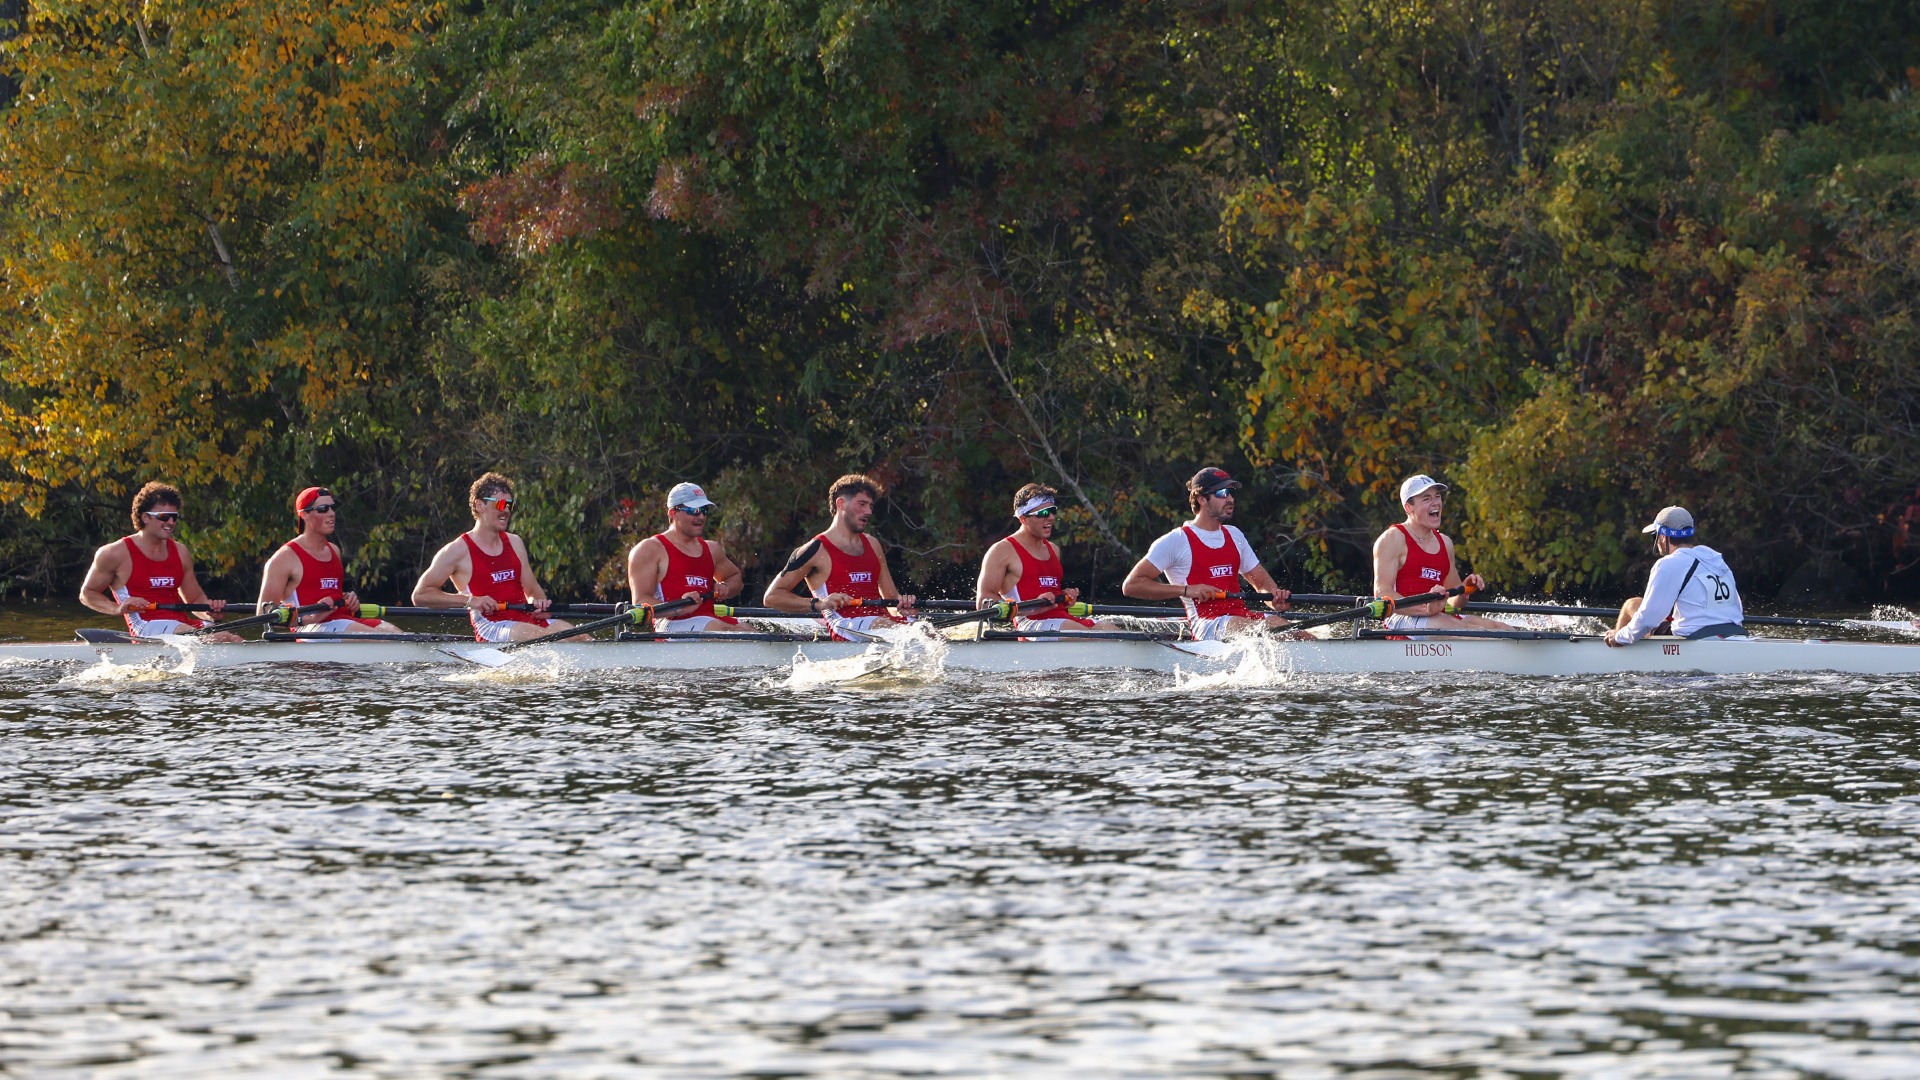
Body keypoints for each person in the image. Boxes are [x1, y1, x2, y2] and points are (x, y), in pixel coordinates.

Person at [1121, 468, 1294, 639]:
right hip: (1207, 623)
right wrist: (1187, 590)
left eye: (1231, 493)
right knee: (1257, 629)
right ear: (1202, 499)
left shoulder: (1235, 535)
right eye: (1222, 493)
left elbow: (1262, 583)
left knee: (1293, 632)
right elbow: (1131, 585)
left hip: (1242, 618)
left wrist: (1275, 599)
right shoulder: (1176, 541)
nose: (1230, 499)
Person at [410, 472, 584, 642]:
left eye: (509, 505)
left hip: (527, 621)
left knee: (581, 636)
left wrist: (539, 605)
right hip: (493, 626)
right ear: (480, 505)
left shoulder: (515, 543)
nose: (506, 510)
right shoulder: (457, 551)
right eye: (501, 504)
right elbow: (420, 595)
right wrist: (470, 601)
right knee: (546, 636)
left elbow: (532, 591)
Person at [79, 481, 242, 642]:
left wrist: (210, 612)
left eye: (174, 517)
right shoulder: (114, 553)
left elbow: (194, 599)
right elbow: (87, 594)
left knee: (231, 638)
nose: (170, 523)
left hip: (181, 624)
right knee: (209, 639)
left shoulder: (180, 552)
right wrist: (117, 608)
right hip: (146, 627)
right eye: (164, 516)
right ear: (145, 517)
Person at [762, 473, 918, 639]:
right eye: (862, 504)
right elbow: (772, 597)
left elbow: (891, 600)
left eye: (871, 506)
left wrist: (904, 608)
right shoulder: (814, 550)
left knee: (925, 630)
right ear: (841, 503)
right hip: (845, 626)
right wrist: (819, 604)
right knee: (896, 629)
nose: (868, 512)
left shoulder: (873, 544)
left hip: (883, 625)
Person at [974, 484, 1126, 635]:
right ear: (1023, 518)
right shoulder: (1001, 551)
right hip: (1030, 624)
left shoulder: (1054, 549)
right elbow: (983, 602)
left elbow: (1051, 592)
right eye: (1044, 513)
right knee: (1088, 637)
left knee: (1116, 634)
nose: (1051, 517)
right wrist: (1029, 607)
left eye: (1053, 511)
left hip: (1062, 618)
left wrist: (1066, 598)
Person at [1370, 474, 1511, 635]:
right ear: (1409, 508)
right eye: (1426, 498)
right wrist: (1426, 609)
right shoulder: (1392, 539)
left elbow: (1453, 603)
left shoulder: (1445, 542)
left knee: (1503, 629)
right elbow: (1382, 594)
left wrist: (1463, 592)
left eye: (1437, 496)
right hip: (1400, 618)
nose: (1435, 502)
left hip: (1437, 616)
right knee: (1472, 633)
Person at [255, 487, 402, 634]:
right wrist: (307, 618)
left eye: (332, 508)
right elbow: (263, 614)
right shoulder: (284, 559)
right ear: (304, 514)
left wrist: (348, 599)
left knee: (397, 634)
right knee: (380, 637)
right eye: (323, 509)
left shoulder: (334, 550)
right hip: (309, 629)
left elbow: (326, 589)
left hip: (343, 619)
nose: (331, 513)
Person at [1605, 506, 1745, 646]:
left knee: (1632, 604)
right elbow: (1737, 608)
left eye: (1655, 536)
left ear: (1663, 537)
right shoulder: (1716, 559)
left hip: (1695, 636)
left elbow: (1648, 619)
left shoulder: (1668, 564)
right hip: (1735, 632)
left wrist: (1619, 637)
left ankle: (1618, 647)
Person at [627, 482, 748, 633]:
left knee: (750, 631)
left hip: (709, 620)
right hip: (669, 623)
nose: (701, 516)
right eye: (694, 510)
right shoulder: (648, 550)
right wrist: (679, 608)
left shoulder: (712, 549)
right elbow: (640, 601)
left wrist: (725, 587)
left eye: (704, 510)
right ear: (673, 513)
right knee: (721, 629)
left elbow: (735, 578)